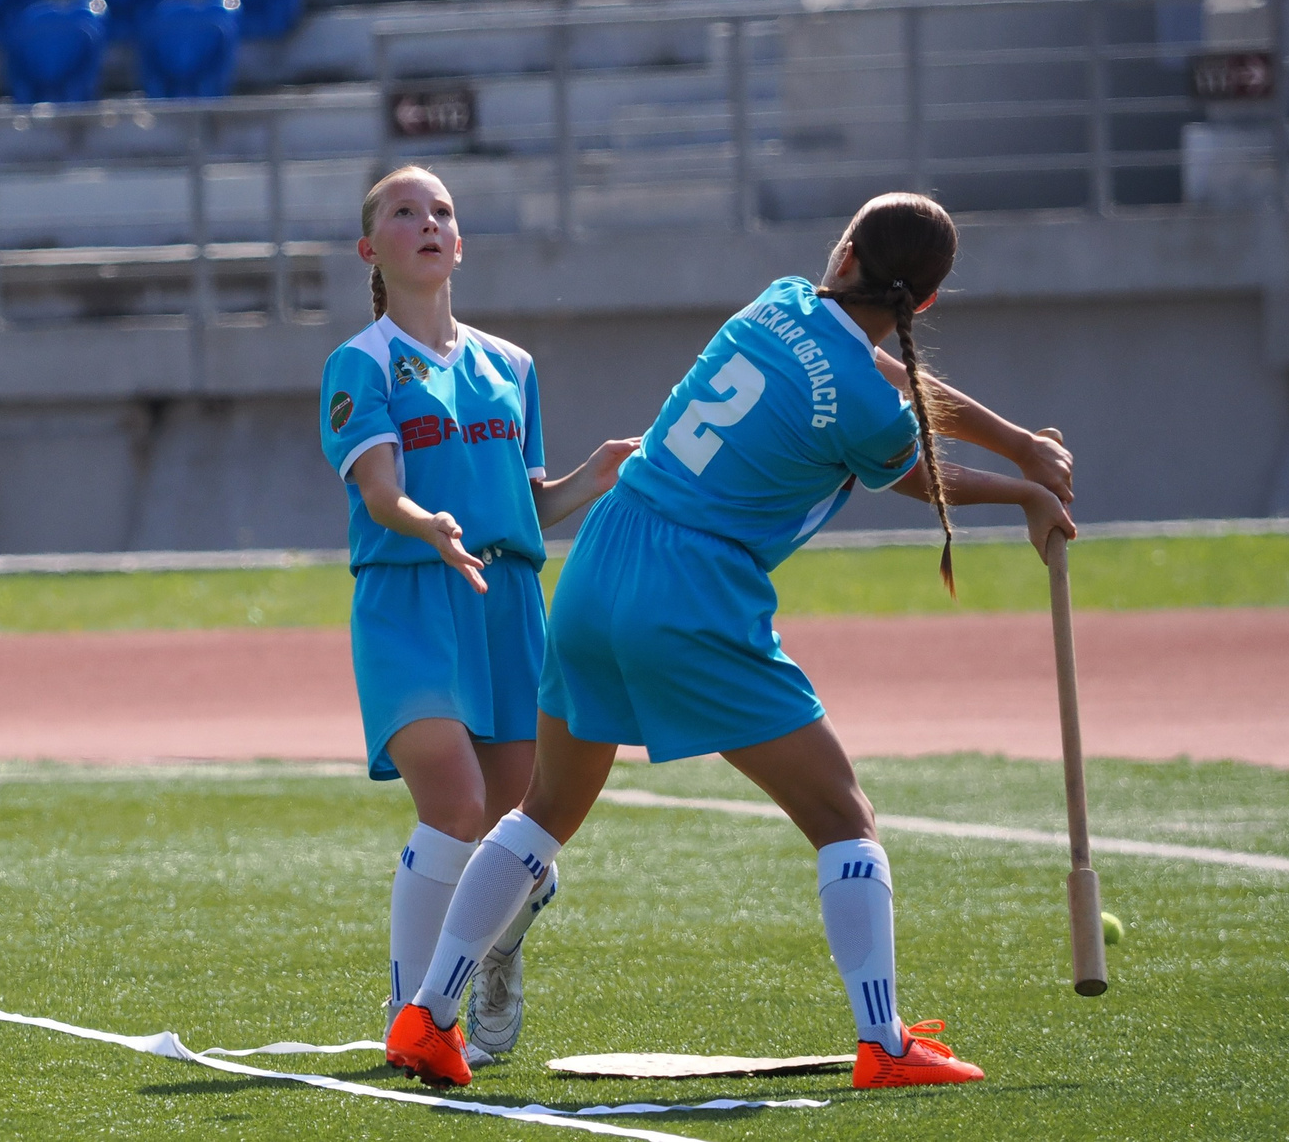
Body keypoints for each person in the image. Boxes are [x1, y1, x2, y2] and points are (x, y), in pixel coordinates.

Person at [381, 191, 1077, 1090]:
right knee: (842, 816)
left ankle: (428, 1016)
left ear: (846, 254)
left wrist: (1020, 446)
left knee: (543, 811)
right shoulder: (867, 397)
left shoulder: (780, 299)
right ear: (926, 303)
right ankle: (883, 1040)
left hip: (604, 557)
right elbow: (902, 450)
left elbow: (889, 381)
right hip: (694, 588)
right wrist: (1025, 485)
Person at [320, 166, 639, 1075]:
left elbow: (531, 506)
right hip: (412, 597)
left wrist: (596, 475)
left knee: (517, 838)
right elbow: (382, 494)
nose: (427, 222)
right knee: (457, 808)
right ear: (370, 247)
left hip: (510, 608)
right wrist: (432, 525)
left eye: (442, 212)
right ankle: (414, 1009)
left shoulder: (513, 366)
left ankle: (496, 952)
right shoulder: (362, 362)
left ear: (459, 244)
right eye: (403, 211)